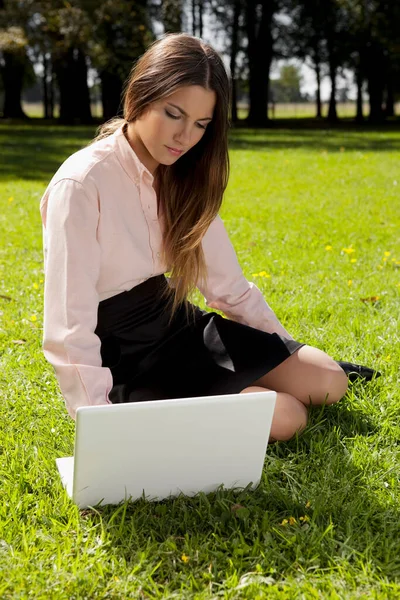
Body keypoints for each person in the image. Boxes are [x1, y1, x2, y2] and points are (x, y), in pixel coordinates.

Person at [40, 33, 378, 442]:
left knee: (329, 381)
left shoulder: (187, 174)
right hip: (122, 354)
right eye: (173, 113)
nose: (185, 137)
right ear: (139, 98)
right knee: (288, 416)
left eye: (201, 124)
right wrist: (96, 422)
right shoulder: (81, 184)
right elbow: (68, 327)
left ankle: (235, 392)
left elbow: (230, 289)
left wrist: (281, 350)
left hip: (176, 324)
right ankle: (181, 406)